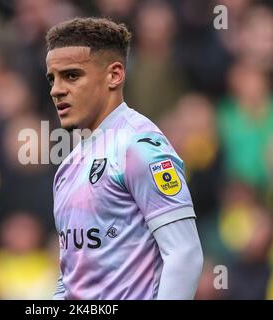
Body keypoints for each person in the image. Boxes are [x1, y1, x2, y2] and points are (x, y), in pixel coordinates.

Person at [45, 17, 203, 300]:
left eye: (71, 75)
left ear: (114, 75)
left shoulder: (140, 147)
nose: (56, 89)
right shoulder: (67, 167)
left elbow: (184, 254)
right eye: (52, 78)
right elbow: (69, 277)